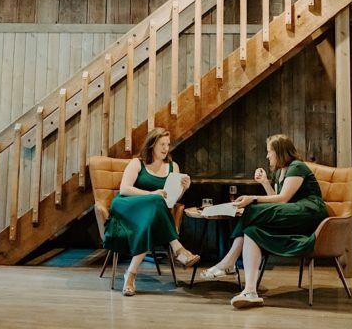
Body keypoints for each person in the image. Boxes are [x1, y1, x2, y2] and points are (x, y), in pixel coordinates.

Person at [200, 133, 328, 308]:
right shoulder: (278, 173)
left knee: (251, 209)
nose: (267, 156)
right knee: (251, 231)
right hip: (291, 213)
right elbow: (275, 200)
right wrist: (265, 183)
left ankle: (228, 262)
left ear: (280, 152)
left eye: (269, 152)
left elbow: (283, 199)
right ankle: (250, 291)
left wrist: (252, 198)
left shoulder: (297, 167)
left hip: (309, 211)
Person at [102, 126, 200, 296]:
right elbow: (124, 189)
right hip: (126, 207)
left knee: (149, 221)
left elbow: (170, 202)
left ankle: (130, 274)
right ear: (151, 145)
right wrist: (151, 194)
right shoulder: (137, 163)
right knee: (156, 200)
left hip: (150, 215)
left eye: (167, 144)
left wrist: (183, 189)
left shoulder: (172, 167)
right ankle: (178, 248)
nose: (165, 148)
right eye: (161, 144)